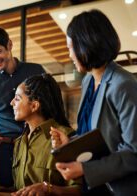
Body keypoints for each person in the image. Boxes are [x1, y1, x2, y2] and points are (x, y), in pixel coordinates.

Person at [50, 9, 137, 196]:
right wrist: (70, 143)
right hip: (94, 188)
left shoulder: (124, 85)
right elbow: (96, 134)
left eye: (70, 47)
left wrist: (85, 170)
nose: (70, 55)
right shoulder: (88, 81)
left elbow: (134, 152)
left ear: (87, 44)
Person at [0, 26, 45, 188]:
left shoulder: (36, 71)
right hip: (3, 149)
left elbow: (51, 107)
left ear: (9, 45)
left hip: (37, 147)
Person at [10, 73, 82, 196]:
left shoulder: (65, 137)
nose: (11, 103)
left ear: (34, 106)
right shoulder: (19, 142)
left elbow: (79, 190)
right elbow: (23, 188)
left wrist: (47, 188)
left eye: (17, 98)